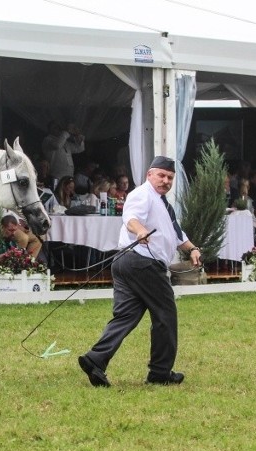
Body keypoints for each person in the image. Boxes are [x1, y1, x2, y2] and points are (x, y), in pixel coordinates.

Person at [78, 155, 201, 388]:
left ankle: (95, 359)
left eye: (170, 178)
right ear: (149, 175)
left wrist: (192, 248)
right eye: (162, 176)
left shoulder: (163, 203)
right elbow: (130, 217)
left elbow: (176, 234)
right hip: (143, 263)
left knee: (126, 316)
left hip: (126, 263)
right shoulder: (142, 194)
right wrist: (140, 230)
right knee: (165, 314)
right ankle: (160, 372)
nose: (166, 181)